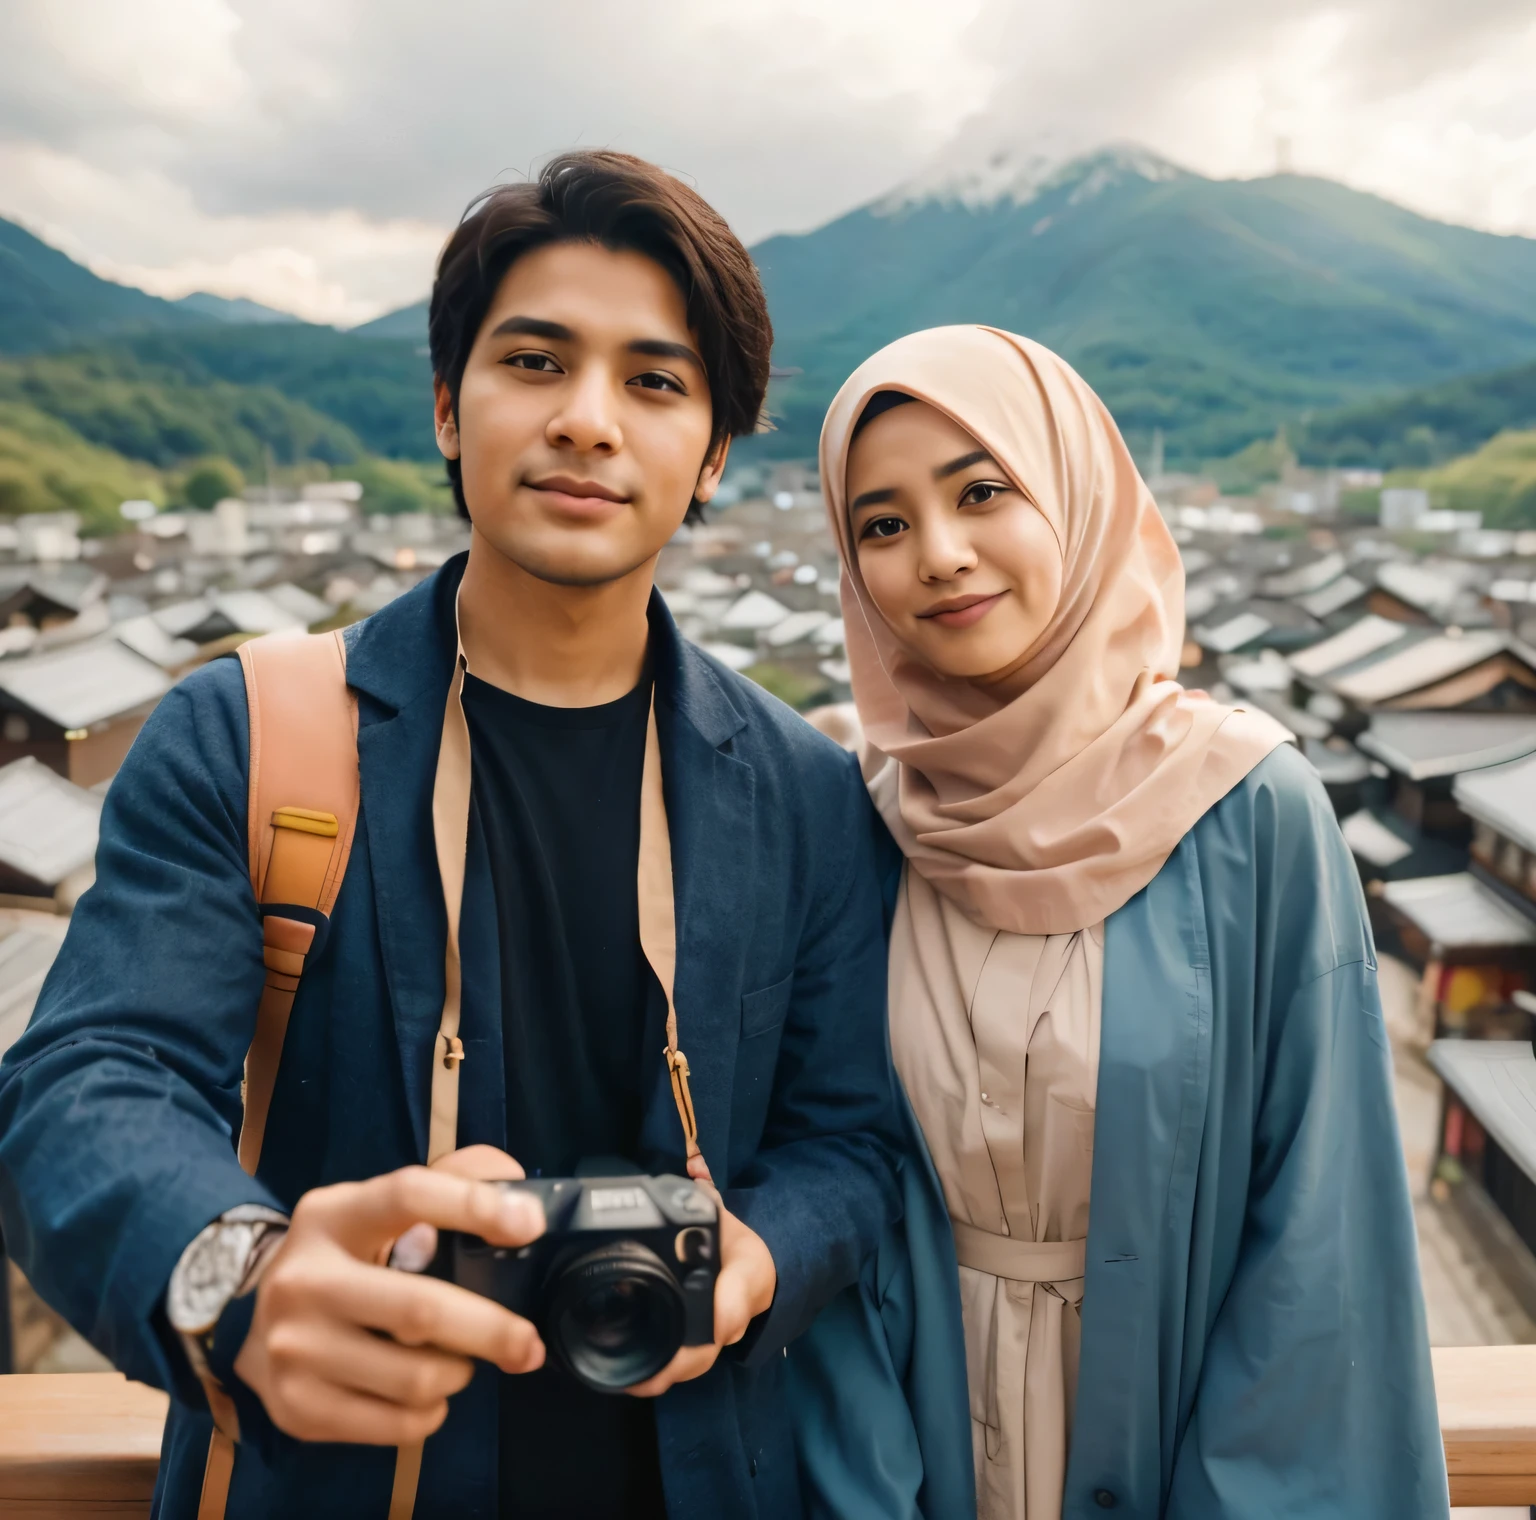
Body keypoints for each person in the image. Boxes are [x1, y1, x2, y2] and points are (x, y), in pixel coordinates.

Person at [0, 152, 905, 1520]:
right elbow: (88, 1078)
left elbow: (851, 1140)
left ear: (714, 448)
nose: (589, 422)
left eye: (655, 381)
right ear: (445, 403)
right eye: (534, 362)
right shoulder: (247, 734)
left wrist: (762, 1257)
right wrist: (234, 1273)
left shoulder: (806, 796)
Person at [812, 325, 1450, 1519]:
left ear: (1079, 493)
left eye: (983, 490)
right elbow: (826, 1183)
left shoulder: (1248, 805)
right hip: (918, 1443)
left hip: (1178, 1441)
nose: (938, 555)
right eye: (883, 524)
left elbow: (1316, 1243)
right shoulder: (855, 820)